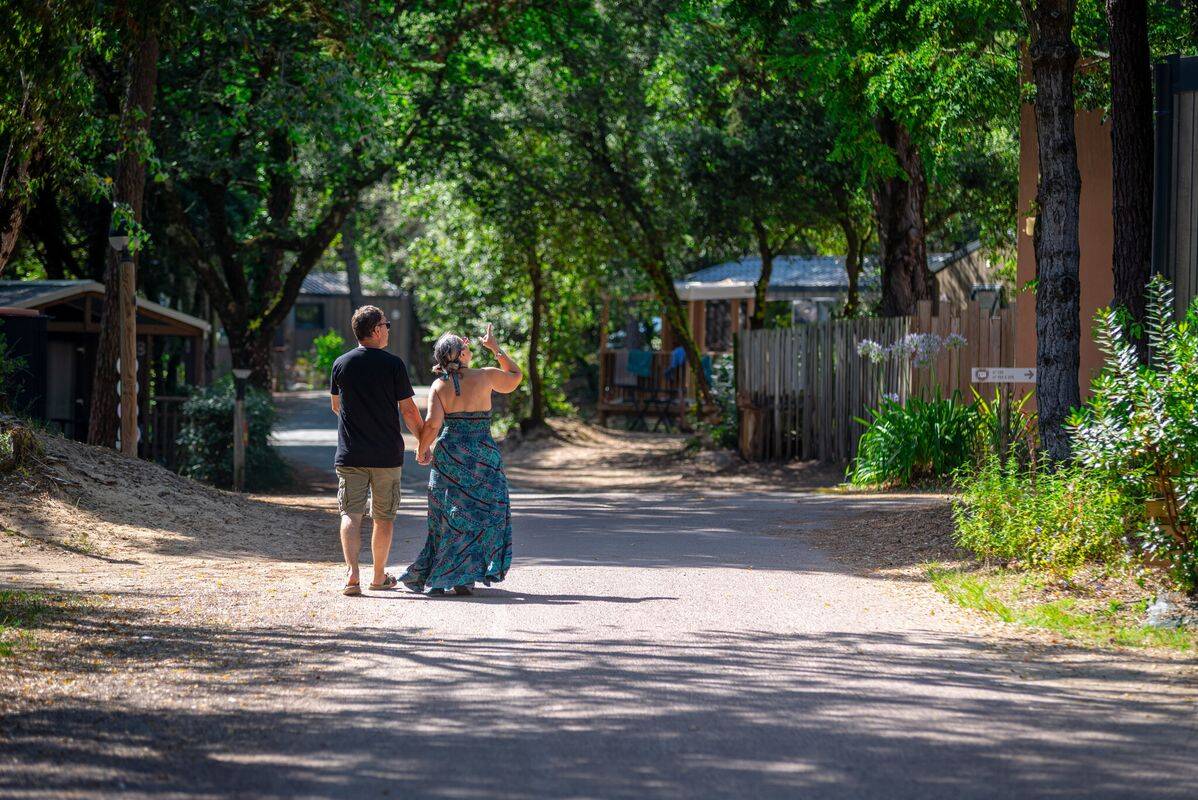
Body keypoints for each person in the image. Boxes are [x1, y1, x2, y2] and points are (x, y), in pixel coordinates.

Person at [400, 324, 522, 596]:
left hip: (451, 454)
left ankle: (444, 574)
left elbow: (432, 424)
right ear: (461, 355)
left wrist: (422, 449)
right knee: (482, 513)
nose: (469, 349)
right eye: (465, 347)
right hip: (482, 455)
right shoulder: (486, 376)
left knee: (446, 515)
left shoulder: (439, 385)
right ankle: (463, 575)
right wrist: (495, 348)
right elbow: (515, 376)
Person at [329, 305, 423, 596]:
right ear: (376, 329)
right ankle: (379, 576)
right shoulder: (393, 364)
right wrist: (423, 440)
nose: (388, 330)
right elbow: (408, 410)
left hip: (351, 454)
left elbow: (336, 406)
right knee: (383, 517)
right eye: (386, 325)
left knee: (350, 513)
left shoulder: (341, 364)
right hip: (386, 456)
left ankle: (352, 575)